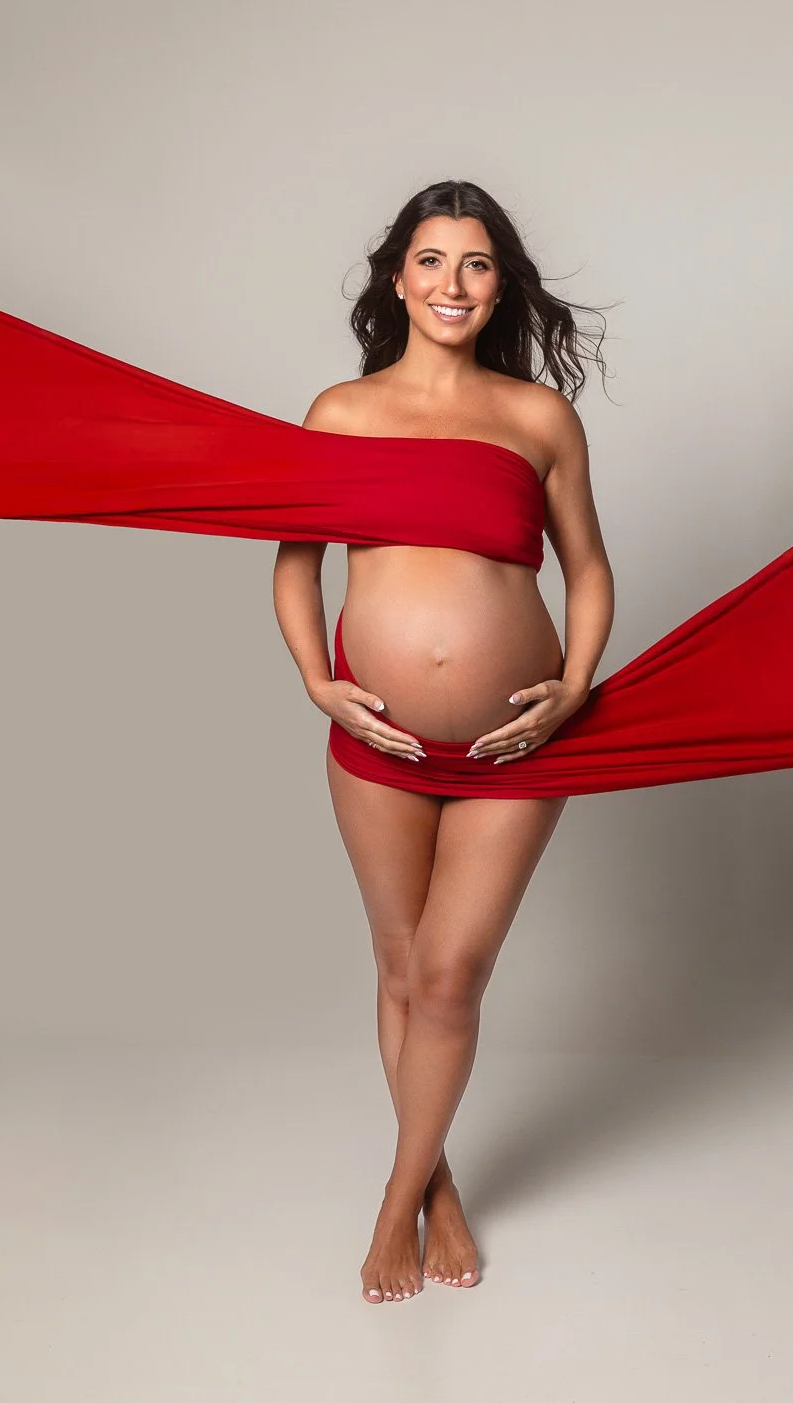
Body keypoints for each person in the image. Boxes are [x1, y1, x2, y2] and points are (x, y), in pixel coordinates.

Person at [272, 179, 616, 1304]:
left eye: (476, 263)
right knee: (400, 967)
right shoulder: (339, 413)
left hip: (519, 745)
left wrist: (572, 686)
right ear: (397, 278)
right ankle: (439, 1189)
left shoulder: (537, 419)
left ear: (499, 285)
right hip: (379, 742)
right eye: (430, 260)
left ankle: (394, 1204)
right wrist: (318, 682)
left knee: (450, 974)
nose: (452, 283)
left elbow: (589, 571)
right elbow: (294, 567)